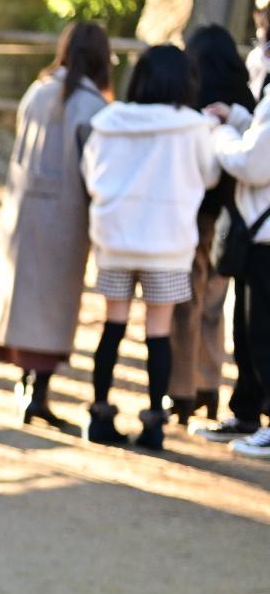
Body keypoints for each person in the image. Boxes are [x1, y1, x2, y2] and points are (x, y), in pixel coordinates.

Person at [81, 44, 221, 451]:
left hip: (115, 239)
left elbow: (90, 172)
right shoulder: (192, 126)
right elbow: (210, 175)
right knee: (158, 333)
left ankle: (99, 414)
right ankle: (154, 424)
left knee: (113, 327)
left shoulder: (109, 120)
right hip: (167, 244)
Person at [0, 21, 113, 430]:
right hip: (66, 214)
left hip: (25, 211)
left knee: (26, 298)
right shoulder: (92, 107)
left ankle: (28, 386)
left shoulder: (37, 92)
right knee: (53, 303)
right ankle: (38, 391)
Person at [174, 25, 256, 425]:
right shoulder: (245, 100)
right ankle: (209, 385)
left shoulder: (191, 101)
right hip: (235, 221)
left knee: (186, 300)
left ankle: (183, 390)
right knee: (214, 305)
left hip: (194, 215)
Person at [207, 81, 270, 457]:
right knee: (248, 332)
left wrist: (222, 133)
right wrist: (240, 118)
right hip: (258, 233)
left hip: (265, 236)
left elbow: (254, 163)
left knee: (263, 333)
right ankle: (246, 414)